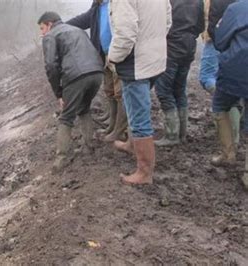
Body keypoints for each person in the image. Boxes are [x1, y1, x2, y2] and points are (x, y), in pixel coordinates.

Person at [108, 0, 172, 184]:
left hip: (136, 64)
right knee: (132, 106)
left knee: (139, 118)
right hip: (155, 58)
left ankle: (144, 172)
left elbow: (125, 34)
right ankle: (130, 144)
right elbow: (167, 21)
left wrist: (113, 57)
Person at [38, 12, 104, 174]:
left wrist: (58, 93)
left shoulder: (51, 36)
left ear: (49, 24)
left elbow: (51, 66)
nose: (42, 33)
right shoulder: (77, 29)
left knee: (66, 117)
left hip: (76, 77)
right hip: (96, 72)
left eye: (42, 28)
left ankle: (60, 160)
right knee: (84, 108)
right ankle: (89, 145)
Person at [67, 0, 128, 143]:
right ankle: (112, 124)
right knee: (110, 89)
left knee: (121, 93)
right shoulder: (97, 5)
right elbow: (84, 19)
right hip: (104, 53)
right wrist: (59, 26)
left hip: (119, 53)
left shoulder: (120, 3)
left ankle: (119, 130)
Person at [154, 0, 204, 146]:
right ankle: (182, 134)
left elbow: (161, 23)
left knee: (164, 91)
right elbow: (200, 26)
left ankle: (171, 135)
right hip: (188, 47)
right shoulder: (198, 1)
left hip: (171, 47)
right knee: (179, 90)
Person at [211, 0, 248, 189]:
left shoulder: (236, 8)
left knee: (219, 106)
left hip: (236, 68)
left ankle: (228, 154)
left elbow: (220, 40)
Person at [199, 0, 241, 157]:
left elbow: (215, 23)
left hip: (219, 42)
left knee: (207, 78)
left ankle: (229, 147)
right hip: (237, 45)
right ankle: (234, 134)